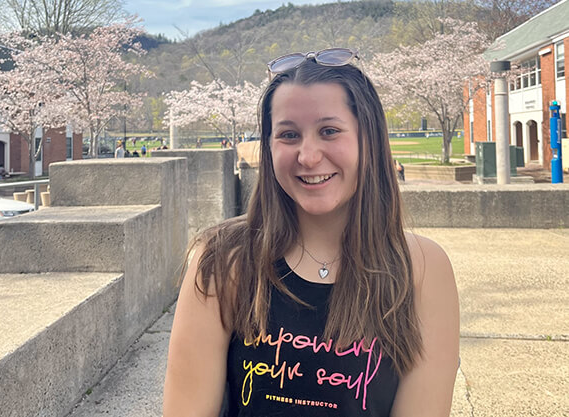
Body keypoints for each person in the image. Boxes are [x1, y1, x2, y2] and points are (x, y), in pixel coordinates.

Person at [163, 49, 459, 417]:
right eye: (288, 135)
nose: (308, 156)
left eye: (329, 131)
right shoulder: (223, 261)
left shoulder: (423, 269)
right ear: (269, 148)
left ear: (370, 139)